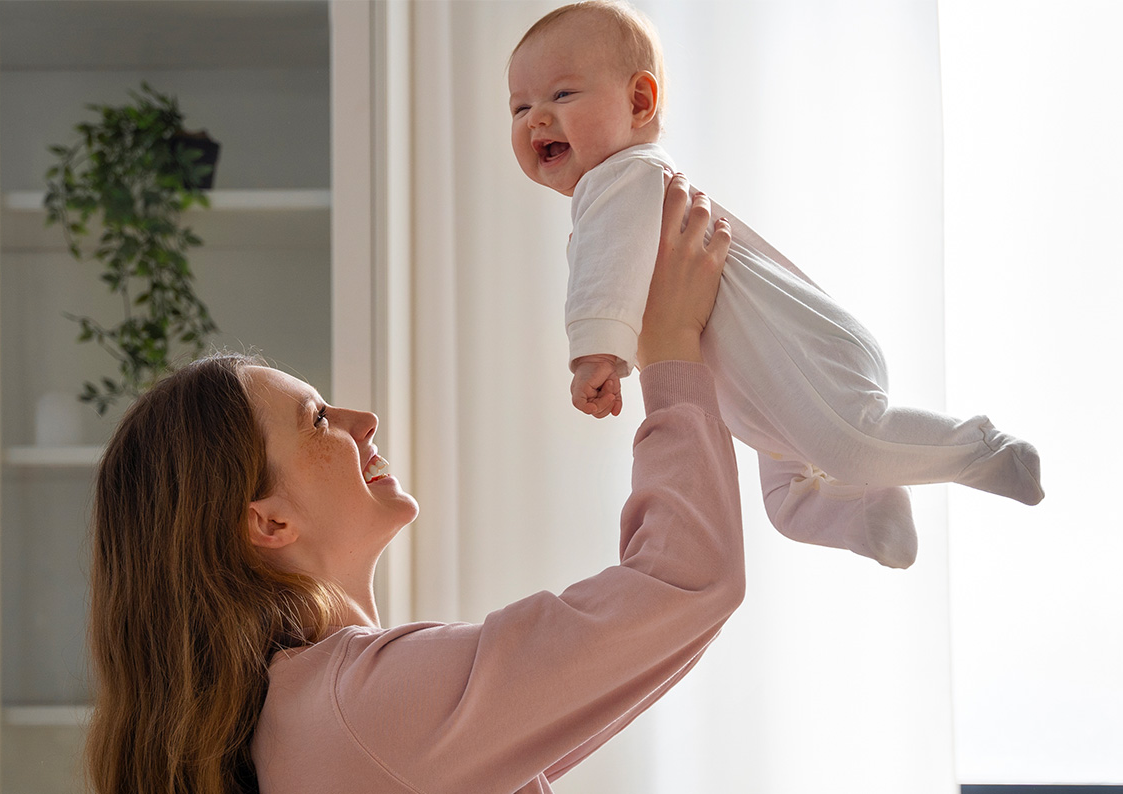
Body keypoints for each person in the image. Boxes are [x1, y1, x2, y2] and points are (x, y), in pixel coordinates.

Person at [86, 179, 744, 793]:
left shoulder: (311, 721)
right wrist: (671, 347)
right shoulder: (362, 709)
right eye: (317, 420)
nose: (362, 421)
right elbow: (685, 582)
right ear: (268, 522)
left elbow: (662, 631)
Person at [507, 0, 1044, 570]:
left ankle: (982, 451)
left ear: (639, 101)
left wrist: (596, 353)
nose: (536, 118)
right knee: (788, 505)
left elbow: (605, 274)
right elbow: (616, 269)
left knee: (848, 446)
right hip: (766, 392)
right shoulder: (626, 192)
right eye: (519, 107)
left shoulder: (622, 175)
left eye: (562, 95)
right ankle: (874, 514)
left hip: (802, 356)